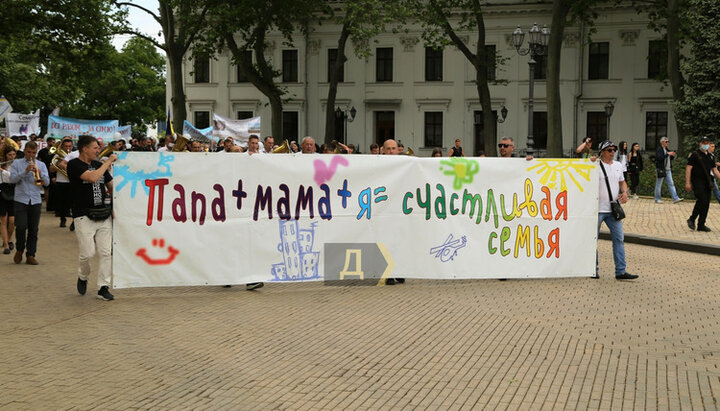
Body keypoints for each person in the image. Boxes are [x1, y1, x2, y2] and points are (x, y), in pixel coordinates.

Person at [67, 135, 117, 301]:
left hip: (103, 214)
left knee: (105, 253)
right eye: (95, 148)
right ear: (85, 149)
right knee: (87, 254)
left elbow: (111, 185)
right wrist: (108, 162)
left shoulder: (98, 164)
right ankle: (83, 276)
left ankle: (103, 287)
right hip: (83, 215)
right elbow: (92, 177)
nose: (98, 150)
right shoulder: (74, 164)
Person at [594, 141, 638, 280]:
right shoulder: (594, 166)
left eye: (613, 150)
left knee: (619, 239)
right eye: (609, 150)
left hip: (613, 208)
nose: (612, 152)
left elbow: (622, 181)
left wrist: (625, 192)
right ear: (602, 152)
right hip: (597, 210)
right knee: (592, 240)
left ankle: (620, 271)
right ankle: (593, 270)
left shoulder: (618, 165)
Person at [9, 141, 49, 265]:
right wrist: (25, 171)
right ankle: (20, 249)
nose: (31, 155)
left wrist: (40, 172)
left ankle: (31, 254)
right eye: (28, 152)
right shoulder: (16, 163)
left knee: (33, 229)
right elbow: (12, 180)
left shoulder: (41, 164)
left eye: (33, 153)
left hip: (36, 200)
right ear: (24, 151)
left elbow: (47, 183)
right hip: (21, 199)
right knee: (21, 227)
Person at [381, 139, 404, 285]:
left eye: (393, 148)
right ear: (383, 150)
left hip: (400, 209)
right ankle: (388, 273)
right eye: (388, 148)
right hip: (384, 209)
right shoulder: (378, 164)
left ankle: (401, 270)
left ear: (397, 150)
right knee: (386, 241)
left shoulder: (404, 164)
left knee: (399, 241)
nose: (391, 151)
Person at [685, 137, 720, 232]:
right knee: (702, 200)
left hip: (708, 182)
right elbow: (688, 169)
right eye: (704, 142)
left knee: (706, 203)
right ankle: (692, 219)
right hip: (697, 181)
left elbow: (715, 170)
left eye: (707, 143)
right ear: (700, 144)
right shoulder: (694, 155)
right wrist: (688, 182)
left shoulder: (710, 156)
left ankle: (701, 224)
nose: (706, 144)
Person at [50, 138, 76, 228]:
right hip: (61, 181)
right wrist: (57, 164)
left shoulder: (75, 155)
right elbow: (51, 169)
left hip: (72, 181)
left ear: (72, 146)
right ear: (62, 146)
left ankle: (74, 221)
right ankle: (62, 219)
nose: (68, 148)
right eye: (66, 146)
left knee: (73, 202)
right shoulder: (57, 156)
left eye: (69, 146)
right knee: (62, 202)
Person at [654, 136, 683, 204]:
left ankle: (675, 198)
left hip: (668, 169)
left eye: (668, 141)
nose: (667, 143)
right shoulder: (659, 149)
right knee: (659, 184)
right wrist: (667, 154)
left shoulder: (667, 149)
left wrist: (672, 155)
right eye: (666, 141)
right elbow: (659, 158)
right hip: (661, 169)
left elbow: (669, 158)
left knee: (671, 183)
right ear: (662, 142)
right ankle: (657, 198)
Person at [0, 148, 17, 254]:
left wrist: (3, 171)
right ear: (5, 156)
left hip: (14, 192)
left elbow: (14, 178)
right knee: (3, 220)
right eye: (10, 155)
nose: (12, 157)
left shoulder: (16, 166)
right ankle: (6, 245)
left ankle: (8, 239)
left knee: (12, 221)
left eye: (14, 154)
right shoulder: (2, 164)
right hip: (2, 192)